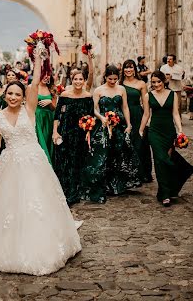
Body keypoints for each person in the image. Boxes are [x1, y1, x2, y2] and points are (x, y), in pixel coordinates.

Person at [0, 51, 82, 275]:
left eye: (17, 94)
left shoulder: (29, 110)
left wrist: (38, 60)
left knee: (36, 202)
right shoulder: (0, 117)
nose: (13, 97)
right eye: (9, 93)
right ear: (4, 95)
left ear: (23, 97)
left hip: (33, 162)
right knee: (7, 204)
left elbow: (33, 82)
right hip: (9, 162)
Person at [81, 65, 141, 203]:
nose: (113, 81)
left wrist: (129, 124)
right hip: (103, 125)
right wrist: (102, 118)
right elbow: (94, 109)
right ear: (105, 77)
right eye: (110, 79)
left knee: (118, 153)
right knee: (103, 155)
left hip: (119, 125)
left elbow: (124, 107)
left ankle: (117, 185)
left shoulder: (121, 89)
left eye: (115, 79)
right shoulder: (99, 90)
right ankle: (104, 185)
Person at [139, 70, 193, 206]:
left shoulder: (173, 95)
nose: (156, 84)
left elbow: (175, 113)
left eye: (159, 82)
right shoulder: (147, 96)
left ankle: (164, 192)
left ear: (164, 81)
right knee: (160, 160)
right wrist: (140, 130)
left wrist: (180, 131)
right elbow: (146, 115)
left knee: (164, 161)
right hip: (155, 132)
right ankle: (165, 195)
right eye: (153, 82)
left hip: (169, 132)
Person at [53, 71, 93, 205]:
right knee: (65, 162)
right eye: (75, 79)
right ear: (72, 80)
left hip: (80, 133)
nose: (78, 81)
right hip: (65, 131)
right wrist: (55, 132)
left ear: (84, 81)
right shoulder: (65, 95)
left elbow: (91, 116)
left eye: (80, 79)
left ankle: (75, 192)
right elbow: (57, 115)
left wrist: (88, 131)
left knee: (77, 161)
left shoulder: (88, 96)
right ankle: (65, 191)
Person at [119, 59, 152, 183]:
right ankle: (125, 174)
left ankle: (140, 174)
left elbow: (146, 106)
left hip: (137, 115)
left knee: (138, 143)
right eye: (126, 68)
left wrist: (144, 123)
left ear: (134, 69)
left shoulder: (141, 84)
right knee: (124, 145)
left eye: (131, 67)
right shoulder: (119, 83)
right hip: (122, 116)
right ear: (123, 70)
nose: (128, 70)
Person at [35, 73, 57, 165]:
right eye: (43, 74)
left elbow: (54, 108)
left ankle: (48, 166)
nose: (45, 77)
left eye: (48, 75)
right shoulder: (34, 87)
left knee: (47, 141)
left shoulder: (52, 89)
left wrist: (50, 102)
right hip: (37, 117)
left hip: (48, 119)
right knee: (39, 141)